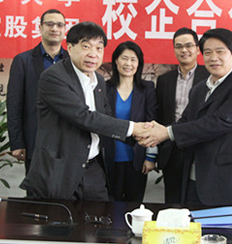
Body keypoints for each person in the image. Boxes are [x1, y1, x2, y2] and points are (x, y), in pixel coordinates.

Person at [20, 22, 149, 201]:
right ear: (70, 48)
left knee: (100, 215)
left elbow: (105, 118)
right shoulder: (54, 77)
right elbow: (84, 117)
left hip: (92, 169)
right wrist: (134, 128)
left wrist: (143, 137)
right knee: (59, 218)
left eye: (99, 48)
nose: (93, 54)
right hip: (60, 170)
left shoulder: (99, 81)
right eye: (86, 46)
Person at [139, 28, 232, 206]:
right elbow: (186, 121)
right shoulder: (199, 89)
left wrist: (167, 132)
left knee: (226, 224)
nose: (213, 57)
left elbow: (218, 122)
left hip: (228, 180)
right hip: (194, 177)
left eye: (220, 52)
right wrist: (156, 132)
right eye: (208, 52)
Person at [7, 9, 68, 172]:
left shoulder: (73, 62)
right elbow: (14, 104)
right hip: (35, 139)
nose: (54, 28)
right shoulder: (23, 61)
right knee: (36, 187)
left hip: (67, 142)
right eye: (49, 24)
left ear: (64, 30)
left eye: (59, 25)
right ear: (40, 28)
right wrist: (17, 142)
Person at [156, 28, 208, 203]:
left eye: (188, 46)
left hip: (199, 146)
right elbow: (160, 115)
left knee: (197, 200)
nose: (184, 50)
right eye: (179, 46)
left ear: (197, 49)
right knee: (172, 200)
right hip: (171, 147)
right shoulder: (164, 80)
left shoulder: (210, 77)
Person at [105, 41, 158, 202]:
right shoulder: (104, 88)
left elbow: (152, 123)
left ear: (139, 63)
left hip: (137, 159)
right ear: (116, 61)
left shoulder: (147, 89)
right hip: (109, 158)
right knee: (109, 205)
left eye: (133, 59)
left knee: (134, 206)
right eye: (124, 58)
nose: (128, 64)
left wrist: (150, 157)